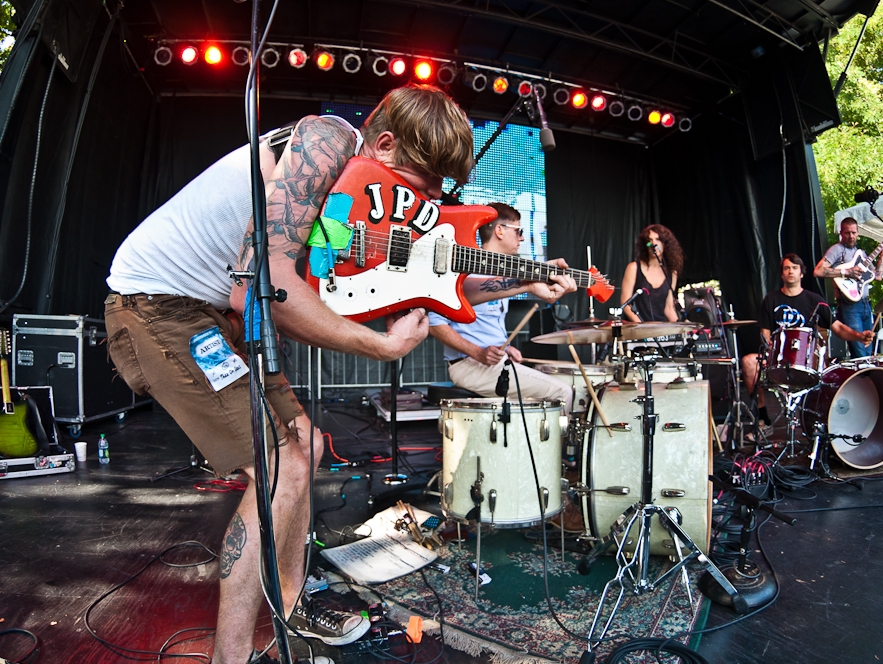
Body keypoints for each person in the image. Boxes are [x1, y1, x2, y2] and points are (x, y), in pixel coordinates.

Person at [104, 85, 576, 664]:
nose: (423, 202)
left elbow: (435, 284)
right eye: (421, 186)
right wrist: (381, 347)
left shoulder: (366, 200)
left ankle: (294, 606)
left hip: (219, 317)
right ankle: (231, 656)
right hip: (160, 305)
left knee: (303, 447)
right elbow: (261, 286)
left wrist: (524, 279)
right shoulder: (326, 142)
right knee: (280, 468)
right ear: (382, 145)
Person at [428, 203, 575, 410]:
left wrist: (505, 347)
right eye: (518, 231)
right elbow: (434, 323)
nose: (522, 238)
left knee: (567, 383)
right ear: (499, 230)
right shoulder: (464, 271)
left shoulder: (502, 272)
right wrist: (478, 352)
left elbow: (486, 329)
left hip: (493, 363)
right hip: (468, 366)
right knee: (562, 391)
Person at [742, 254, 875, 412]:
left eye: (795, 268)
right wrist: (768, 351)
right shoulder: (771, 300)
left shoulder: (815, 300)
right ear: (781, 274)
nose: (791, 271)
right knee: (748, 363)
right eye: (787, 268)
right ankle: (763, 418)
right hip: (777, 357)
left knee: (827, 371)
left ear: (801, 273)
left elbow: (838, 327)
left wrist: (859, 336)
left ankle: (819, 420)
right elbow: (765, 332)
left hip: (807, 359)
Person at [813, 217, 883, 358]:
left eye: (854, 232)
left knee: (868, 349)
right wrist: (846, 272)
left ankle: (868, 379)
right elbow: (818, 271)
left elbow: (877, 275)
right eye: (847, 233)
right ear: (841, 233)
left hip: (865, 304)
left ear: (858, 233)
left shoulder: (861, 253)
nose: (851, 236)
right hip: (849, 306)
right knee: (860, 352)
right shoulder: (836, 250)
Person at [620, 224, 683, 323]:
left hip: (661, 330)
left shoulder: (671, 273)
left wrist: (684, 328)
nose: (654, 243)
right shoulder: (634, 268)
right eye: (650, 241)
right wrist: (643, 327)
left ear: (665, 244)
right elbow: (626, 304)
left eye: (658, 239)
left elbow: (669, 309)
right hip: (638, 330)